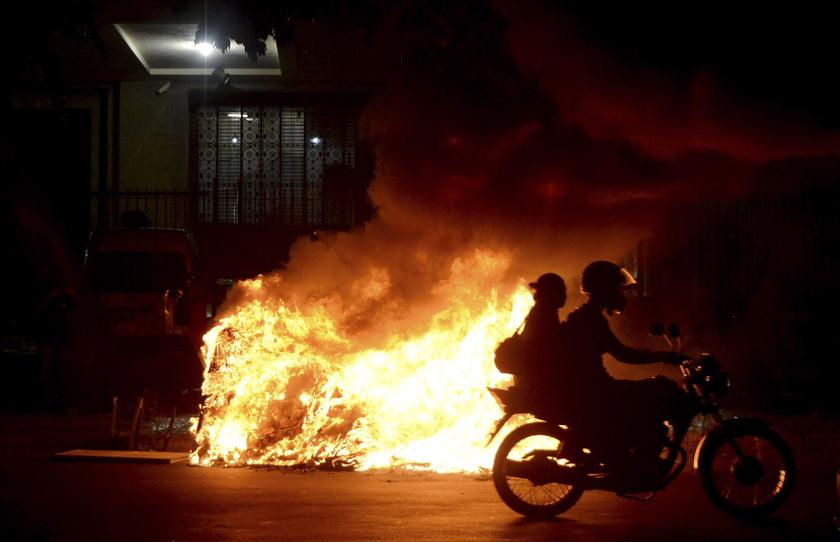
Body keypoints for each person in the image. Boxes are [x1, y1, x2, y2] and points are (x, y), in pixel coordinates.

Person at [561, 261, 687, 471]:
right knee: (655, 391)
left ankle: (635, 452)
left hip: (590, 386)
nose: (622, 295)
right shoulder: (590, 320)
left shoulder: (586, 316)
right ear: (604, 289)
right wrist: (662, 356)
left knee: (650, 390)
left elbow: (621, 352)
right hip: (594, 388)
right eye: (617, 289)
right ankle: (640, 459)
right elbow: (622, 354)